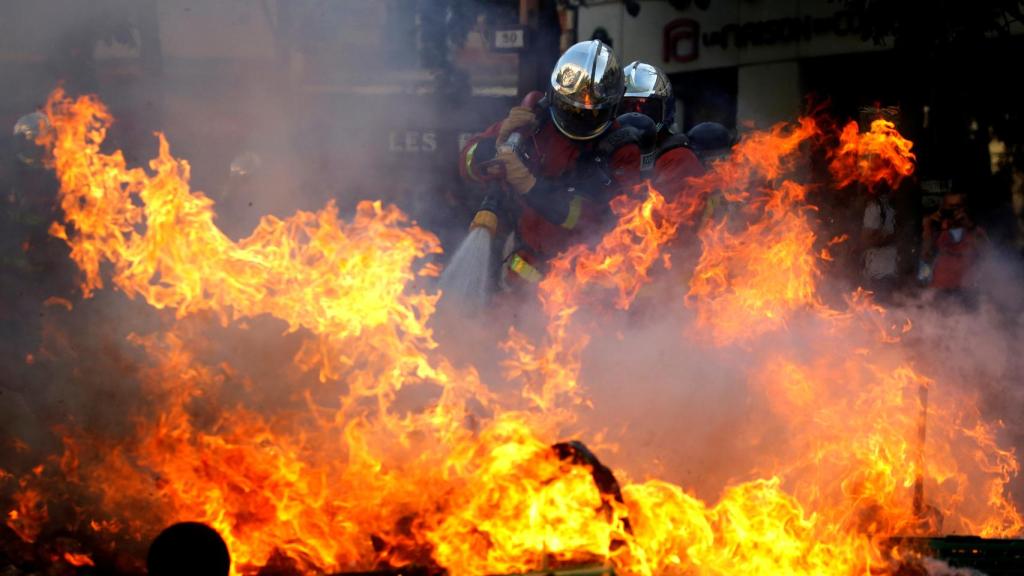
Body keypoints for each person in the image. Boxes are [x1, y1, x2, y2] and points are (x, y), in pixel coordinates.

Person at [459, 40, 643, 287]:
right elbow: (466, 160)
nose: (577, 117)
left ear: (611, 108)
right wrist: (493, 147)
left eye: (588, 112)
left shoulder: (621, 150)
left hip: (585, 288)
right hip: (521, 280)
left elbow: (592, 218)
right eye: (570, 108)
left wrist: (530, 186)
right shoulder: (537, 119)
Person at [620, 61, 704, 194]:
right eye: (626, 109)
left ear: (667, 112)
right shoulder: (613, 152)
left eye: (645, 109)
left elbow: (658, 210)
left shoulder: (678, 158)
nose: (636, 119)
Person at [921, 192, 987, 305]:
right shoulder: (935, 228)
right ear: (943, 208)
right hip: (939, 291)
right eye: (949, 207)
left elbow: (988, 255)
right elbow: (925, 258)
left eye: (957, 206)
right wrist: (928, 227)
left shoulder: (974, 230)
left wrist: (969, 226)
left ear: (964, 208)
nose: (953, 211)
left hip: (967, 292)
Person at [860, 191, 899, 299]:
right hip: (883, 271)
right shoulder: (882, 207)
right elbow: (867, 239)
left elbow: (866, 240)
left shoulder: (875, 208)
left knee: (880, 308)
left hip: (881, 272)